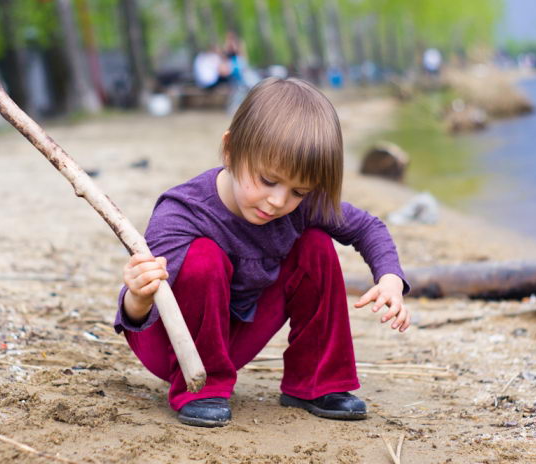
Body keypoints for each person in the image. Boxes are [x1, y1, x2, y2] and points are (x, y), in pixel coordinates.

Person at [115, 77, 410, 428]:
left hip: (238, 333)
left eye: (298, 191)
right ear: (230, 150)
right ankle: (202, 389)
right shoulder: (182, 212)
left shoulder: (297, 206)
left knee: (315, 244)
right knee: (204, 257)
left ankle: (316, 382)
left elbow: (367, 227)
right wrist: (138, 295)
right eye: (268, 181)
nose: (278, 201)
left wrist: (390, 279)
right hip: (175, 345)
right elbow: (136, 315)